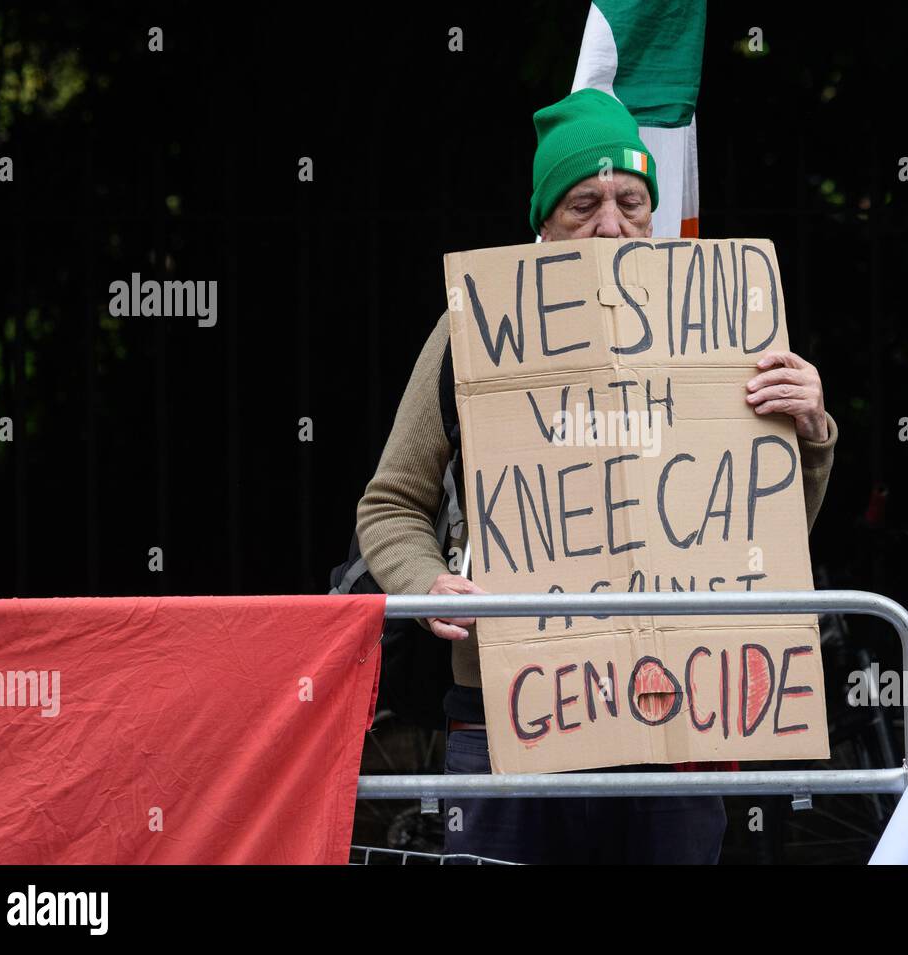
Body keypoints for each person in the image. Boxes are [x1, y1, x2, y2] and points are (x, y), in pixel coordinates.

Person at [356, 88, 839, 864]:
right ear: (542, 220)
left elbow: (761, 534)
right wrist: (426, 582)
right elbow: (390, 503)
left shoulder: (717, 332)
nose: (611, 223)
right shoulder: (470, 331)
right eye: (583, 202)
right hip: (509, 711)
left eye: (632, 201)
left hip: (676, 713)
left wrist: (811, 435)